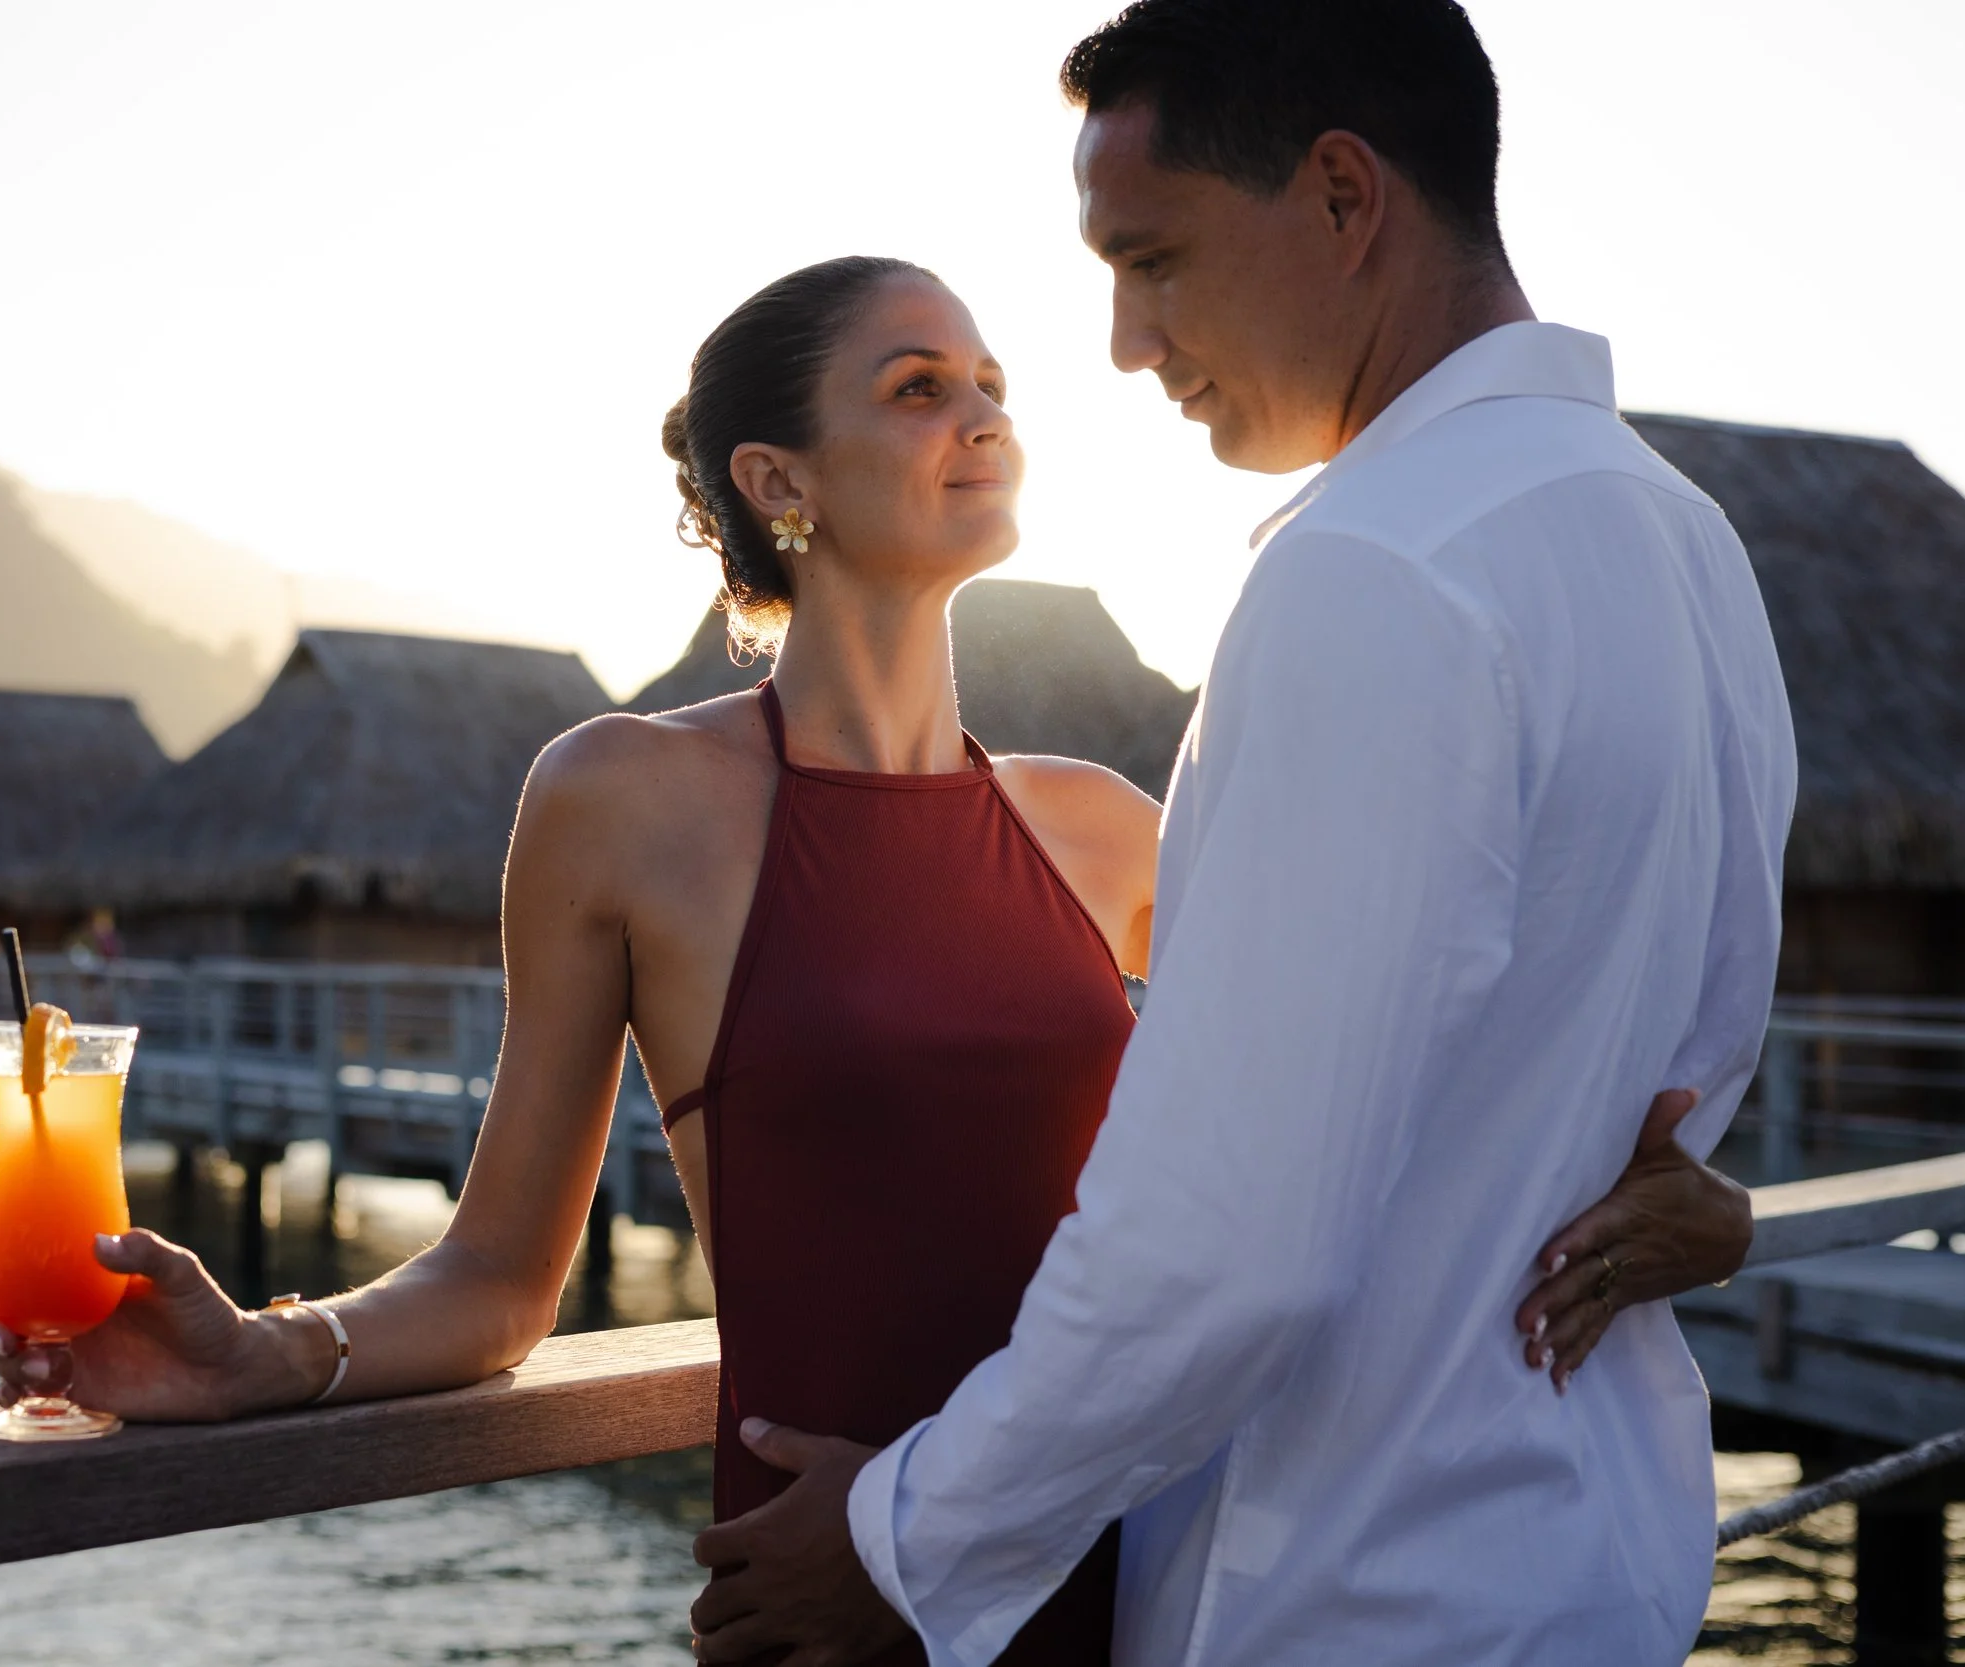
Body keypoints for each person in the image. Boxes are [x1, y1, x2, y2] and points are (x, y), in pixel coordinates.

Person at [0, 253, 1754, 1659]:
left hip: (1106, 1557)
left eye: (992, 384)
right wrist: (273, 1352)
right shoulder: (619, 800)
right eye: (919, 389)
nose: (985, 415)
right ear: (778, 479)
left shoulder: (1114, 824)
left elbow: (1376, 1112)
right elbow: (506, 1275)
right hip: (825, 1575)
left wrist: (1712, 1211)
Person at [684, 3, 1797, 1665]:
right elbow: (1674, 1082)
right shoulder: (1685, 543)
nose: (1130, 340)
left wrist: (908, 1541)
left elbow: (1225, 1239)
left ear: (1344, 199)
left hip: (1363, 1583)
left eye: (1156, 260)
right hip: (1598, 1564)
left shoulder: (1374, 572)